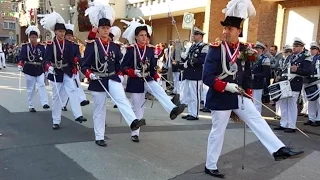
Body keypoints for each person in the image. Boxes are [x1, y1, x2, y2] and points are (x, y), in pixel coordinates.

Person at [203, 0, 304, 178]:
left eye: (230, 29)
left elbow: (247, 75)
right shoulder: (215, 49)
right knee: (218, 132)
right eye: (224, 28)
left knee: (257, 119)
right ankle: (210, 165)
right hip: (221, 96)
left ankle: (278, 149)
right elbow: (207, 77)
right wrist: (227, 85)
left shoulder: (245, 49)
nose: (226, 32)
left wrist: (248, 93)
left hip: (239, 95)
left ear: (238, 31)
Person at [83, 2, 146, 147]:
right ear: (97, 30)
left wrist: (119, 73)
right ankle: (99, 136)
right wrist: (89, 74)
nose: (105, 30)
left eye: (107, 28)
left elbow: (119, 64)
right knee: (99, 109)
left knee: (122, 99)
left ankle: (133, 122)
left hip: (111, 77)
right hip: (98, 79)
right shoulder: (92, 46)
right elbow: (84, 64)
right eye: (103, 28)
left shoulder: (115, 46)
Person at [121, 19, 186, 142]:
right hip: (135, 81)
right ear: (136, 37)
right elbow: (123, 67)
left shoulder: (150, 50)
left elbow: (152, 68)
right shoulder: (130, 50)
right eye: (141, 35)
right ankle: (135, 133)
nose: (144, 37)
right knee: (137, 107)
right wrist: (132, 72)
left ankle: (172, 109)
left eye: (145, 35)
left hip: (147, 78)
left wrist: (156, 76)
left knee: (159, 90)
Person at [40, 12, 87, 130]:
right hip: (55, 72)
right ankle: (56, 120)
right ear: (55, 32)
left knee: (73, 91)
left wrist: (76, 61)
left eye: (63, 31)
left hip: (67, 70)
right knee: (56, 97)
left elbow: (74, 57)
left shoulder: (70, 44)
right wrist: (48, 67)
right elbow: (45, 60)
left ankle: (78, 115)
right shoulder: (51, 45)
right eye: (60, 31)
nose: (62, 33)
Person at [274, 37, 312, 133]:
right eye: (294, 46)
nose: (294, 48)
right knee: (283, 104)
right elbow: (283, 69)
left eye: (297, 46)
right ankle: (284, 123)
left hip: (295, 83)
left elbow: (308, 71)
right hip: (285, 83)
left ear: (302, 47)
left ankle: (291, 125)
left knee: (291, 105)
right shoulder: (290, 57)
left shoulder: (305, 58)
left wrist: (298, 70)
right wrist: (279, 77)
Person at [17, 25, 50, 112]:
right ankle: (31, 105)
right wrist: (20, 64)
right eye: (32, 37)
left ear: (37, 37)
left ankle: (44, 103)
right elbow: (21, 57)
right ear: (29, 37)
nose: (33, 39)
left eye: (35, 37)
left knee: (42, 85)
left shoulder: (42, 47)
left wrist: (47, 69)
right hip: (29, 69)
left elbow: (45, 59)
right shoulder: (25, 47)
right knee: (31, 89)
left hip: (39, 69)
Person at [180, 27, 209, 120]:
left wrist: (190, 62)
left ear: (200, 36)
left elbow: (202, 59)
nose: (193, 36)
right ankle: (190, 112)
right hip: (189, 73)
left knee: (194, 94)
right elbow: (188, 57)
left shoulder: (204, 46)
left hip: (196, 73)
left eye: (195, 35)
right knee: (188, 94)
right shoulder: (193, 46)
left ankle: (195, 114)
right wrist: (183, 56)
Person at [60, 21, 90, 109]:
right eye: (68, 35)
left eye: (70, 36)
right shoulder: (62, 45)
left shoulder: (75, 46)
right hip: (64, 69)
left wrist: (78, 60)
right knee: (66, 88)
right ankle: (63, 104)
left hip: (73, 68)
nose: (69, 37)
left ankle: (82, 99)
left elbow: (78, 56)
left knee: (77, 84)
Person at [303, 41, 320, 127]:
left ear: (317, 50)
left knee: (318, 101)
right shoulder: (308, 58)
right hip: (310, 81)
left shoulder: (319, 58)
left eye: (314, 49)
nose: (312, 50)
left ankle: (318, 119)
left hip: (318, 81)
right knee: (311, 100)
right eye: (311, 49)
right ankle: (311, 118)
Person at [252, 42, 271, 113]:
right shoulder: (252, 58)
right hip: (250, 82)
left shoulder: (265, 59)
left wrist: (255, 76)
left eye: (258, 48)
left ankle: (257, 117)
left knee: (256, 102)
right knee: (250, 101)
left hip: (258, 82)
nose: (256, 49)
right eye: (255, 48)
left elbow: (266, 73)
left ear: (262, 50)